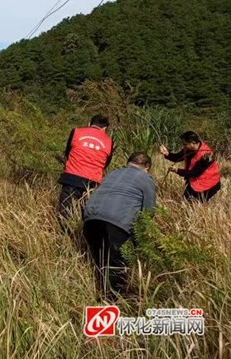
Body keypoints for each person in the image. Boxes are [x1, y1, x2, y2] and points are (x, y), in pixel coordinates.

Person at [83, 152, 156, 297]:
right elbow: (149, 211)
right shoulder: (146, 179)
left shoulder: (113, 173)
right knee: (116, 263)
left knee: (100, 259)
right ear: (147, 167)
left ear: (128, 162)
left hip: (90, 218)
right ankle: (114, 299)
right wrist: (139, 239)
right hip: (117, 221)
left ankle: (97, 291)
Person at [57, 115, 113, 222]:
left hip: (71, 177)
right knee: (86, 214)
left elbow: (68, 152)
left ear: (89, 123)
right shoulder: (109, 141)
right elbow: (106, 163)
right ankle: (81, 236)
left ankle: (63, 235)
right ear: (105, 128)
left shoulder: (76, 132)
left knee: (65, 213)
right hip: (92, 182)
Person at [160, 131, 221, 203]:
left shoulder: (207, 155)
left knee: (196, 204)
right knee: (188, 200)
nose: (183, 146)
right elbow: (177, 157)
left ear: (193, 143)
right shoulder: (188, 149)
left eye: (185, 144)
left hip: (209, 184)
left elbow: (195, 173)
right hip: (196, 180)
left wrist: (177, 170)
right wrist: (166, 153)